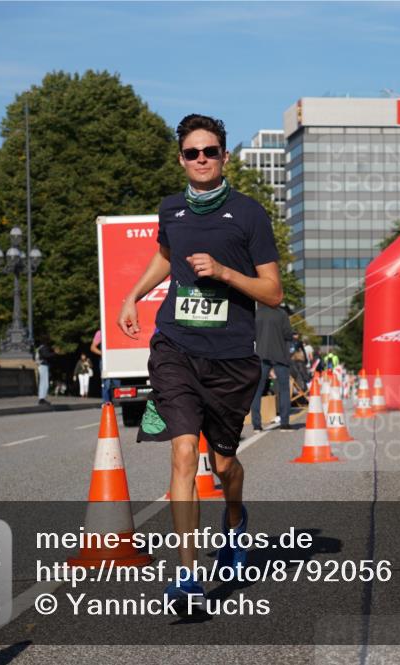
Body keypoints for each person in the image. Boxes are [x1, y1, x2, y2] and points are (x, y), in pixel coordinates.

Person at [117, 113, 282, 613]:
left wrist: (228, 273)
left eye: (210, 151)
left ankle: (234, 522)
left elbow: (272, 292)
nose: (202, 160)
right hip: (177, 349)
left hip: (231, 359)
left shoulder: (250, 214)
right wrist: (133, 296)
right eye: (192, 153)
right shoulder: (171, 210)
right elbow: (167, 256)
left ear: (225, 157)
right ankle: (187, 575)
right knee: (184, 452)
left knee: (224, 463)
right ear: (181, 159)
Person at [250, 303, 294, 431]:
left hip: (261, 354)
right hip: (280, 355)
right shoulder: (281, 313)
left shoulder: (256, 314)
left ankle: (256, 424)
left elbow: (251, 335)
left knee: (257, 390)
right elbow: (288, 335)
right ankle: (284, 423)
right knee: (284, 389)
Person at [90, 329, 118, 405]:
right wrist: (103, 353)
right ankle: (106, 403)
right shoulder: (100, 333)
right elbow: (92, 347)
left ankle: (113, 400)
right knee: (107, 382)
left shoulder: (116, 330)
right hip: (105, 361)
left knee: (117, 382)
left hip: (117, 359)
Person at [35, 340, 53, 405]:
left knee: (43, 382)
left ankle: (42, 398)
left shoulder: (39, 347)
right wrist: (54, 354)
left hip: (41, 365)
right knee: (44, 383)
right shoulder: (43, 348)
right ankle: (42, 399)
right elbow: (46, 355)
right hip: (43, 365)